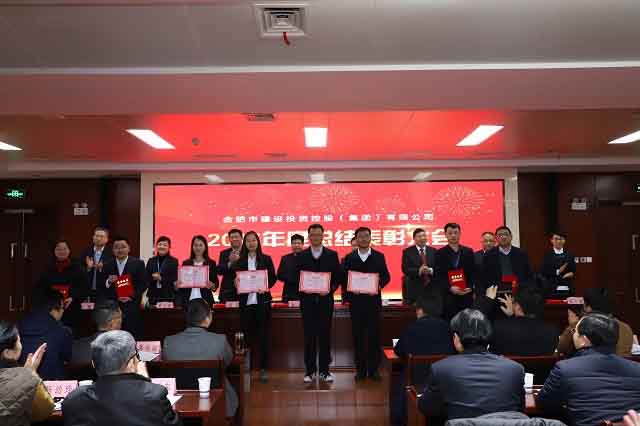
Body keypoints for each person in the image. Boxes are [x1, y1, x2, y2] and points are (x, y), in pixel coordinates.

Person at [418, 309, 525, 420]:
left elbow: (427, 408)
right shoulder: (515, 369)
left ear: (456, 338)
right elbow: (520, 411)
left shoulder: (441, 369)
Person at [536, 313, 640, 426]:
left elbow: (544, 404)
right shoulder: (637, 369)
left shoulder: (565, 368)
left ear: (584, 340)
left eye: (575, 331)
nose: (573, 334)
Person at [62, 330, 182, 426]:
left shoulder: (74, 400)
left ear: (93, 364)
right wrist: (144, 381)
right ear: (132, 363)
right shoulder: (154, 395)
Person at [163, 299, 238, 417]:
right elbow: (227, 363)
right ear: (207, 319)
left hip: (180, 401)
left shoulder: (169, 342)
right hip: (217, 400)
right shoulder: (220, 341)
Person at [392, 295, 455, 426]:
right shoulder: (448, 328)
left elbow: (398, 351)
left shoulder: (412, 328)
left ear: (420, 310)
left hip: (415, 380)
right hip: (444, 380)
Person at [295, 224, 343, 383]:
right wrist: (304, 288)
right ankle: (309, 371)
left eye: (318, 234)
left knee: (325, 335)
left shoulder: (332, 255)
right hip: (307, 302)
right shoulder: (301, 255)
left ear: (323, 236)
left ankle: (324, 370)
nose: (315, 237)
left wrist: (330, 289)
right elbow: (296, 277)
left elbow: (338, 277)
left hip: (325, 301)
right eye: (313, 235)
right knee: (308, 336)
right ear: (309, 237)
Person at [343, 226, 391, 382]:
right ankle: (361, 370)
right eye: (360, 236)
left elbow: (386, 276)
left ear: (370, 238)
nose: (363, 239)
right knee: (358, 336)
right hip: (356, 303)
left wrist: (378, 285)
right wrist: (351, 289)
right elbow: (343, 278)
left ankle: (374, 370)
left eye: (366, 236)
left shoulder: (379, 256)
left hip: (373, 302)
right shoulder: (349, 258)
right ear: (356, 239)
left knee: (374, 336)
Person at [233, 231, 277, 382]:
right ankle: (247, 368)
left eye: (254, 240)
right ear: (244, 244)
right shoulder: (240, 261)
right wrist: (236, 283)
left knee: (263, 337)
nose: (251, 243)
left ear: (258, 242)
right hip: (246, 304)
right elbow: (235, 280)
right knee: (246, 337)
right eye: (248, 241)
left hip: (262, 303)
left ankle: (264, 369)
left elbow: (273, 278)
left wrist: (266, 286)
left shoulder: (266, 259)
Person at [0, 321, 54, 425]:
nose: (21, 345)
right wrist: (30, 375)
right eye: (19, 341)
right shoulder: (28, 378)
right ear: (7, 353)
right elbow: (45, 411)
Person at [557, 288, 633, 356]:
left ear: (587, 307)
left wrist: (572, 326)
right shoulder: (626, 328)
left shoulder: (580, 326)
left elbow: (561, 349)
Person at [18, 288, 72, 380]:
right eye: (62, 307)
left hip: (24, 381)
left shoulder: (19, 326)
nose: (63, 311)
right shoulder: (62, 332)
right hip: (52, 384)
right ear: (53, 309)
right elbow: (67, 359)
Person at [487, 288, 559, 356]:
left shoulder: (499, 328)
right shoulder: (552, 331)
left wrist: (488, 301)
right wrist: (512, 316)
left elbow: (491, 354)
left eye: (513, 303)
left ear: (518, 307)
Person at [35, 239, 88, 329]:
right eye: (58, 249)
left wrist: (73, 297)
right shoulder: (48, 266)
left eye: (64, 249)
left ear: (69, 251)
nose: (62, 251)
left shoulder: (77, 266)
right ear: (54, 251)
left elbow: (84, 287)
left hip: (72, 307)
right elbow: (41, 287)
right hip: (51, 307)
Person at [102, 236, 148, 339]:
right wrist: (108, 281)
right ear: (113, 250)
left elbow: (144, 284)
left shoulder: (138, 263)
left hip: (132, 305)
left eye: (123, 247)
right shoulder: (107, 264)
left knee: (132, 334)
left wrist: (131, 296)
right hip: (114, 306)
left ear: (129, 248)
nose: (120, 250)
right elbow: (102, 284)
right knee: (114, 336)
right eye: (116, 247)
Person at [433, 223, 477, 319]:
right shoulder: (439, 253)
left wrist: (470, 287)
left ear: (460, 234)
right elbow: (437, 275)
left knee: (466, 321)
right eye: (450, 233)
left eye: (456, 233)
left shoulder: (468, 251)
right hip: (448, 295)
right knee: (450, 321)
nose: (453, 235)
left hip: (466, 294)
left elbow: (473, 272)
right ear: (445, 235)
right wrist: (450, 288)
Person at [482, 226, 532, 293]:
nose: (503, 237)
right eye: (500, 235)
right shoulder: (488, 255)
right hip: (496, 293)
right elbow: (485, 277)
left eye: (506, 234)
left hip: (519, 292)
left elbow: (528, 274)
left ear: (511, 237)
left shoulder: (521, 253)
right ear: (496, 238)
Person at [177, 235, 218, 307]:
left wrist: (212, 285)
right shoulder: (186, 263)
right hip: (188, 300)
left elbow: (215, 283)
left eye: (200, 245)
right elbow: (182, 285)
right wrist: (179, 283)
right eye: (195, 245)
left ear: (205, 247)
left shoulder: (211, 263)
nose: (198, 248)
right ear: (192, 247)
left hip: (205, 300)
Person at [401, 228, 436, 305]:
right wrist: (419, 270)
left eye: (424, 236)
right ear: (414, 239)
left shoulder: (433, 251)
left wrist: (430, 270)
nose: (422, 238)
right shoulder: (407, 252)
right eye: (419, 236)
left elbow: (438, 267)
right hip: (415, 289)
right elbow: (405, 269)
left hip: (432, 289)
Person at [79, 227, 114, 302]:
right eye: (96, 236)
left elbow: (114, 270)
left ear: (107, 239)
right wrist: (88, 268)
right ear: (93, 237)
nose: (98, 238)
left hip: (105, 292)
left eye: (101, 236)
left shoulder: (112, 253)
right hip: (87, 292)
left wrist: (103, 267)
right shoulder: (85, 252)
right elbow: (79, 270)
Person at [540, 231, 576, 298]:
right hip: (551, 288)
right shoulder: (547, 255)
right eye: (556, 239)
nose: (559, 241)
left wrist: (571, 273)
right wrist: (557, 272)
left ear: (564, 241)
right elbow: (543, 271)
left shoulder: (569, 254)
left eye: (561, 239)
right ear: (551, 240)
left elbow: (573, 270)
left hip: (567, 286)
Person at [145, 236, 179, 306]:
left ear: (169, 247)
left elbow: (174, 278)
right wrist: (152, 277)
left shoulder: (174, 261)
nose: (162, 247)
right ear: (156, 246)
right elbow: (145, 277)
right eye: (160, 244)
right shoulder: (151, 260)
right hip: (153, 295)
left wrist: (161, 278)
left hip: (168, 296)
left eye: (165, 245)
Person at [217, 229, 243, 303]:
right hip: (227, 293)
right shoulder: (224, 253)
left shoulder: (247, 252)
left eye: (236, 237)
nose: (234, 239)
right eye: (232, 237)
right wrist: (230, 263)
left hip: (244, 292)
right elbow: (219, 271)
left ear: (241, 238)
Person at [277, 233, 305, 302]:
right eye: (294, 243)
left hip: (304, 293)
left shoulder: (308, 258)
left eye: (299, 243)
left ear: (302, 244)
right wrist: (290, 277)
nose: (296, 245)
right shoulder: (285, 258)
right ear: (291, 244)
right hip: (289, 293)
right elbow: (279, 275)